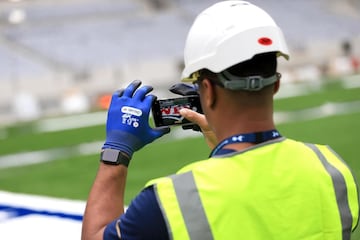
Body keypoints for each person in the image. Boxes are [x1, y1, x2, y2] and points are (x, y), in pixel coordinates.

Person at [81, 1, 359, 239]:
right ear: (276, 85)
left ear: (208, 92)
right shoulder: (332, 169)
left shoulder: (172, 199)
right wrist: (220, 143)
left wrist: (116, 152)